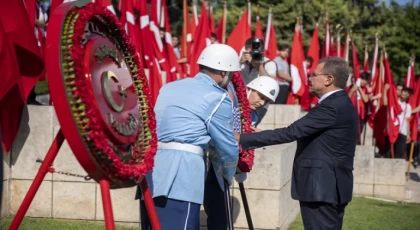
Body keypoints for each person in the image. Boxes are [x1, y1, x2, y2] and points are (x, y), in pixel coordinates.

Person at [236, 57, 358, 230]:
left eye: (314, 75)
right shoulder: (340, 103)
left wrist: (241, 138)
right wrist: (263, 134)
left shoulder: (331, 106)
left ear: (329, 79)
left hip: (322, 188)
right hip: (329, 187)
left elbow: (291, 132)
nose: (309, 78)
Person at [139, 44, 240, 230]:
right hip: (182, 174)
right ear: (223, 72)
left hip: (152, 171)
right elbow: (227, 146)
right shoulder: (218, 97)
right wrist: (229, 173)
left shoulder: (169, 87)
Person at [204, 76, 279, 230]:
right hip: (212, 161)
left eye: (266, 101)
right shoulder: (231, 101)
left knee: (221, 215)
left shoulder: (253, 114)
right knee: (217, 212)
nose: (261, 103)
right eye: (261, 96)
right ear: (250, 89)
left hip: (227, 163)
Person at [383, 84, 413, 159]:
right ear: (401, 92)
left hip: (402, 132)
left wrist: (408, 134)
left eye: (408, 93)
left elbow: (407, 120)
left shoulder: (408, 106)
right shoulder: (393, 101)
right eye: (404, 91)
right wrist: (385, 90)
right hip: (391, 130)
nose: (405, 94)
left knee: (399, 153)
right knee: (388, 152)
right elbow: (385, 103)